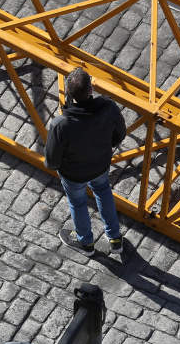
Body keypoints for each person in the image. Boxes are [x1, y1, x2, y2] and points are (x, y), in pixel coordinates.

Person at [45, 68, 126, 255]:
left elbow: (51, 160)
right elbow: (120, 133)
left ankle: (86, 243)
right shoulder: (108, 107)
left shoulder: (61, 124)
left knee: (78, 203)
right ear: (91, 90)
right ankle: (115, 238)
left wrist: (62, 167)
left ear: (69, 94)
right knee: (103, 192)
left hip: (73, 173)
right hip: (100, 165)